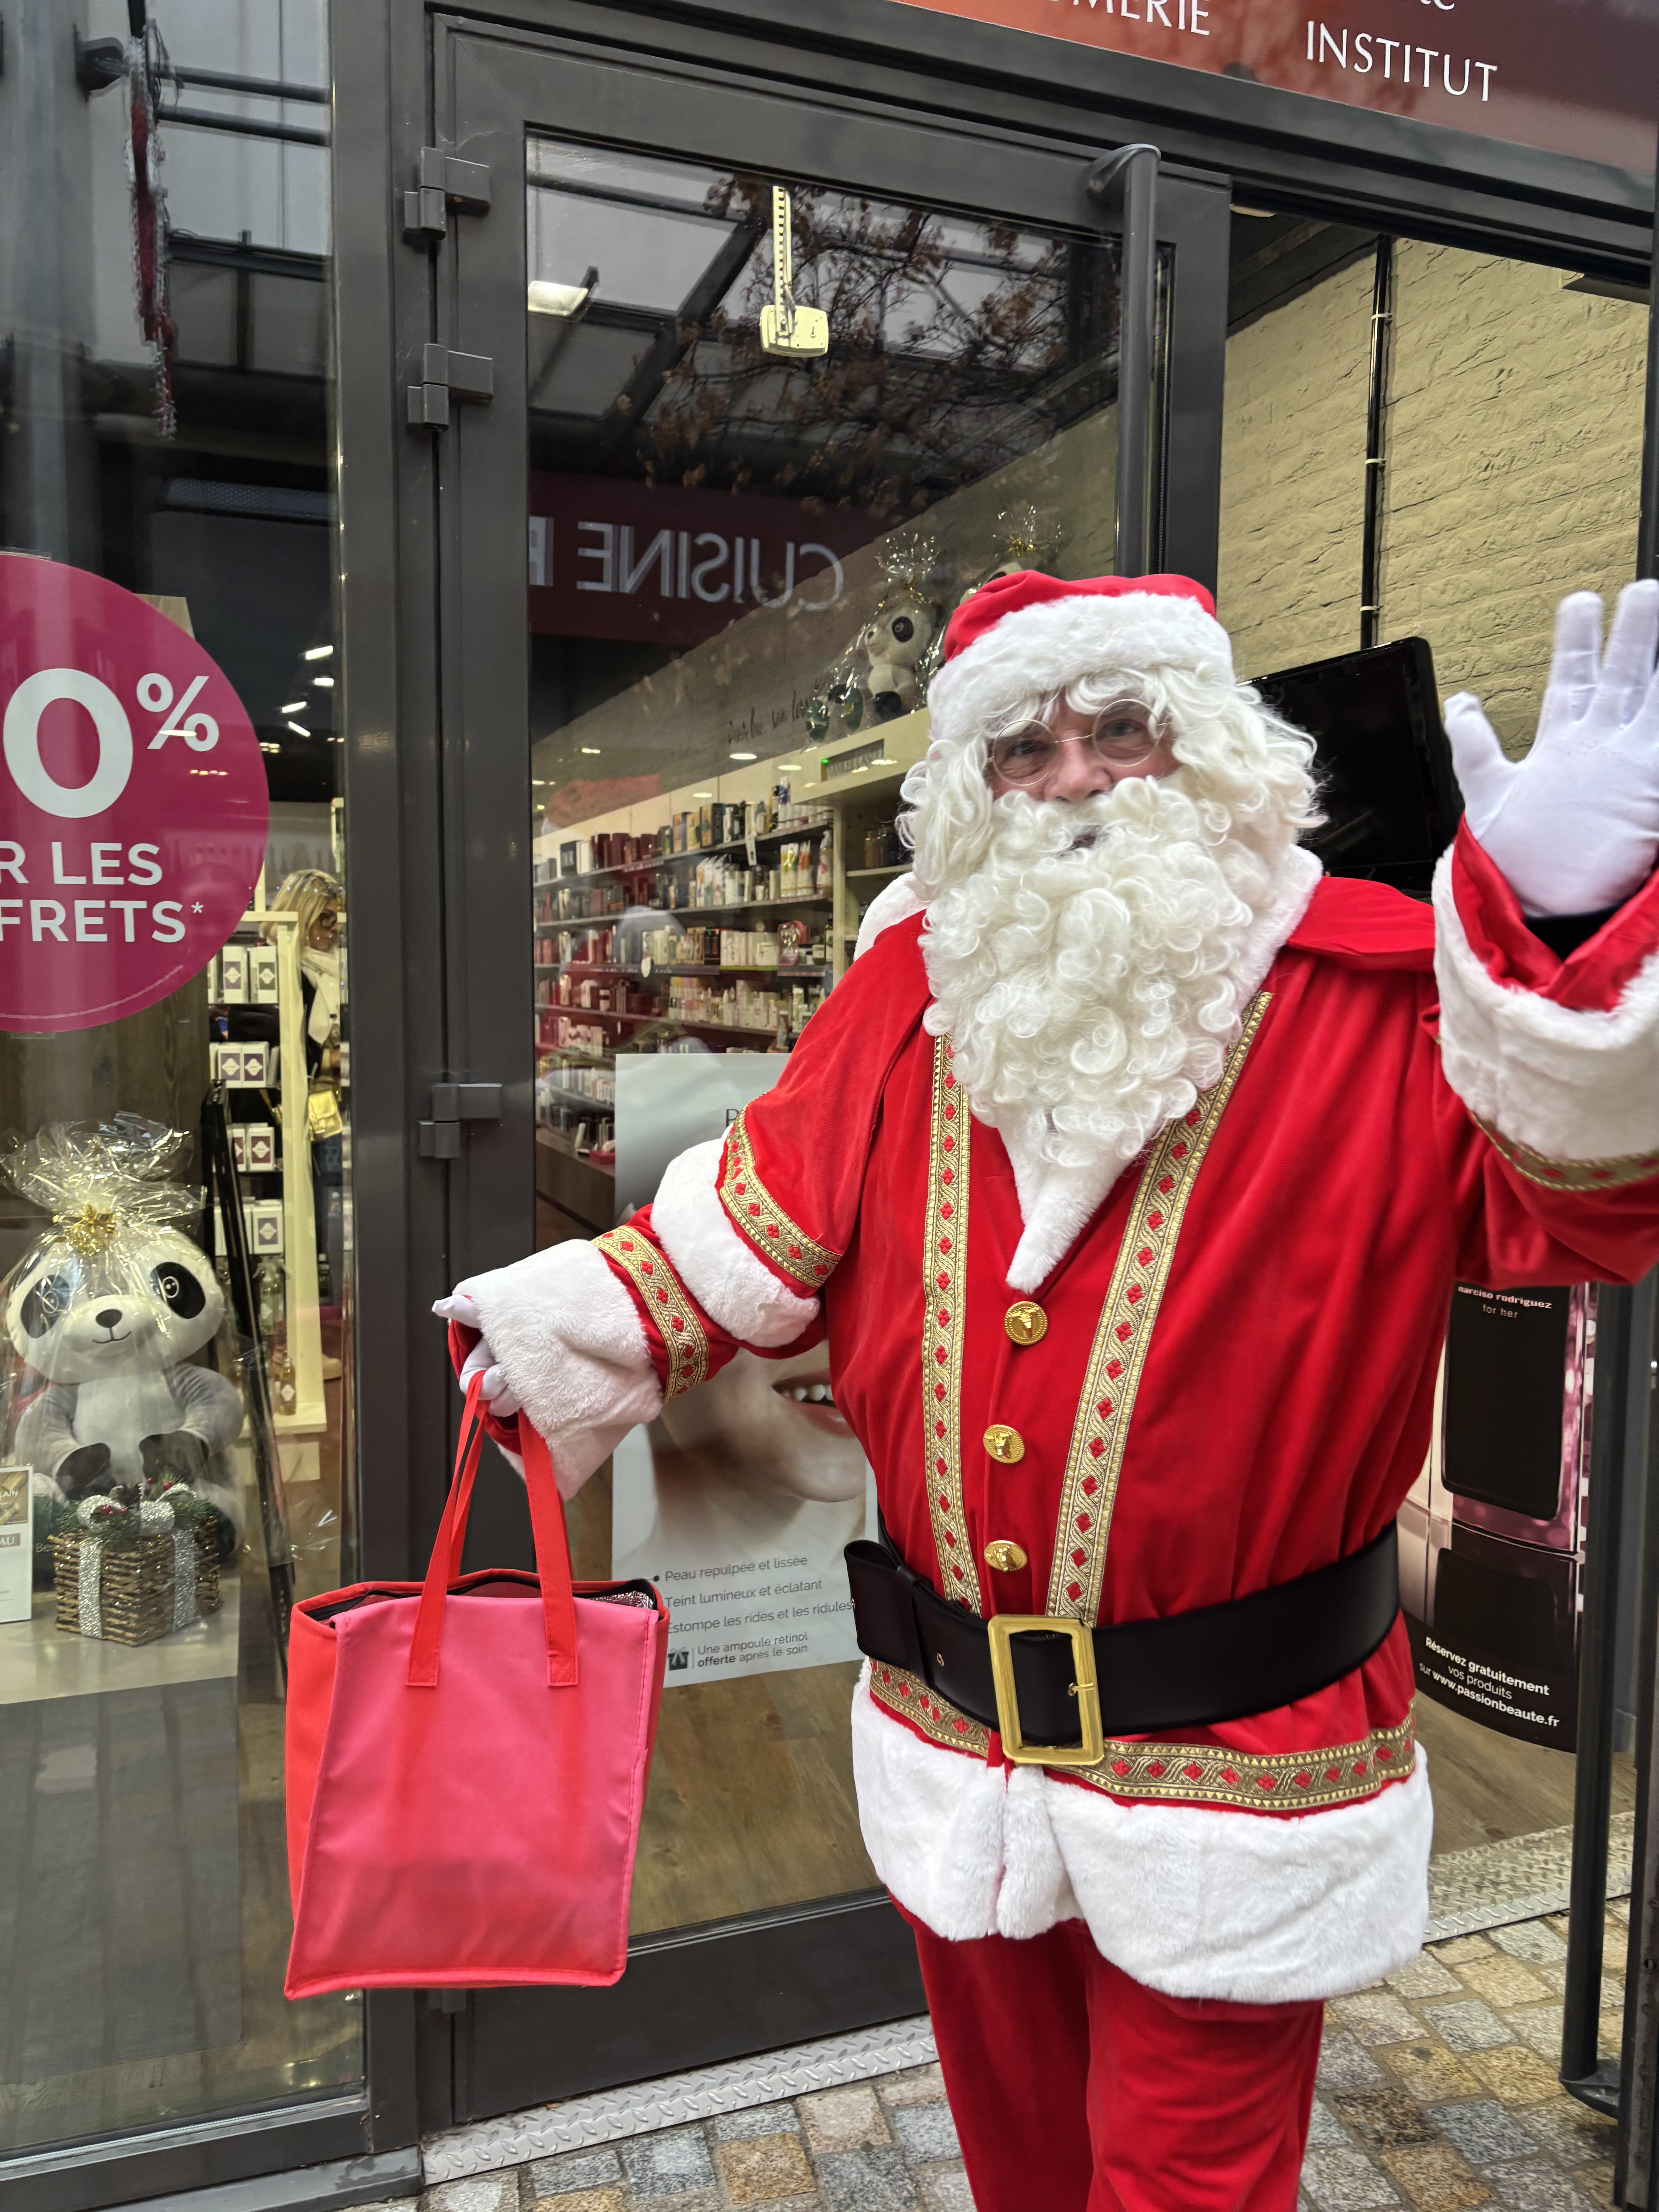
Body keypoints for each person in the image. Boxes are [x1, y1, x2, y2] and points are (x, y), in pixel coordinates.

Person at [438, 571, 1659, 2212]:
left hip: (1239, 1756)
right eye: (1020, 746)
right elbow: (753, 1229)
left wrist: (1561, 950)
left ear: (1215, 750)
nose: (1073, 772)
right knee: (1018, 2167)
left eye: (1123, 726)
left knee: (1186, 2188)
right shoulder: (906, 1002)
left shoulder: (1385, 1001)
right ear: (970, 790)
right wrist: (551, 1344)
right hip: (958, 1741)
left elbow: (1583, 1207)